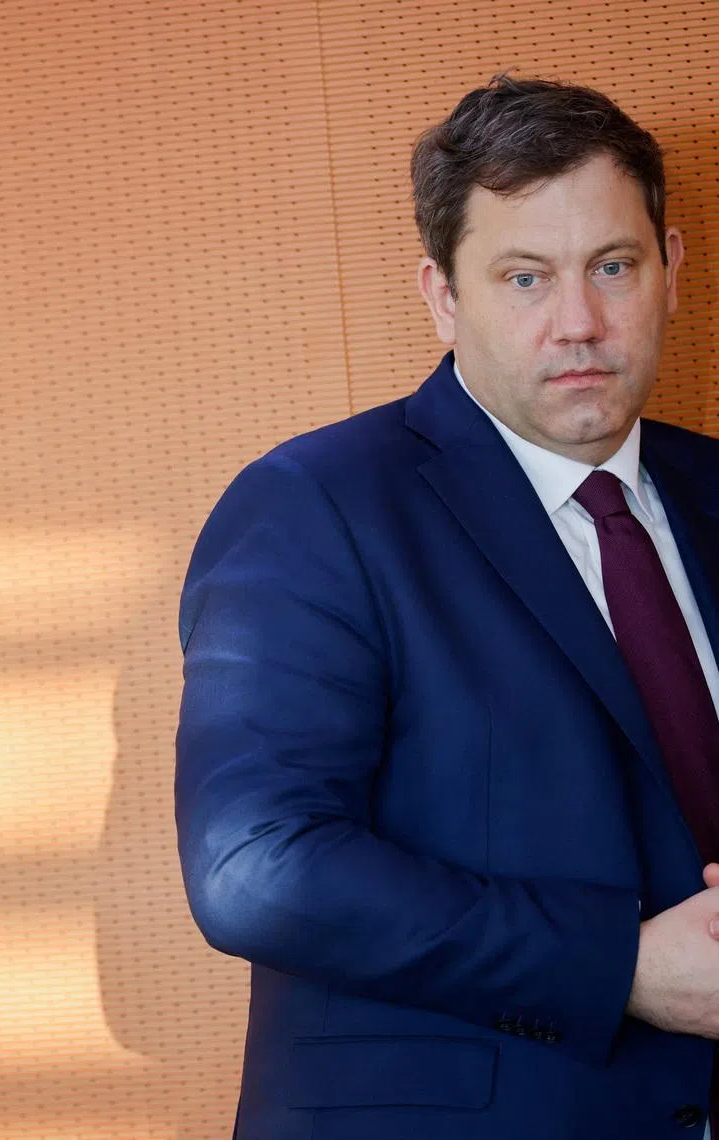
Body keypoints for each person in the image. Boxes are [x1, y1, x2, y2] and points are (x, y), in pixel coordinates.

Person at [174, 75, 719, 1140]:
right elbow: (256, 866)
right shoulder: (313, 507)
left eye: (615, 266)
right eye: (525, 278)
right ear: (441, 296)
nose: (580, 323)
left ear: (673, 271)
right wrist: (622, 967)